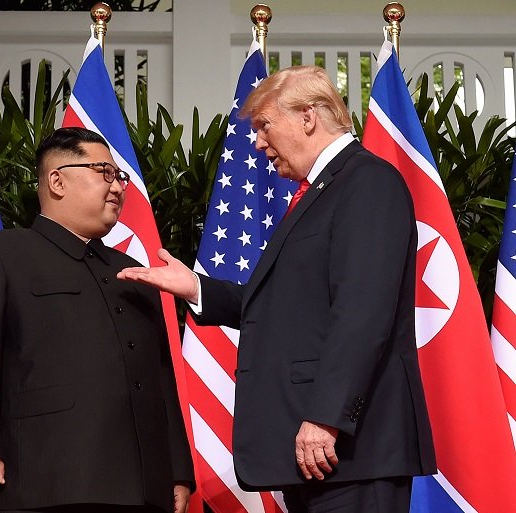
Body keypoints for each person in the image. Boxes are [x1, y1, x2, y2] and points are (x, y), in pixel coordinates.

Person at [117, 66, 436, 513]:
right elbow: (290, 308)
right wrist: (195, 288)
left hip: (350, 449)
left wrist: (325, 417)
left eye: (265, 126)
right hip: (318, 453)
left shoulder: (367, 182)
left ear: (308, 117)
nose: (259, 142)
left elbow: (363, 312)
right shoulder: (320, 191)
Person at [0, 127, 194, 513]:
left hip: (142, 485)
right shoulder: (1, 254)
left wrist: (178, 469)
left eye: (120, 177)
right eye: (103, 173)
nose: (117, 187)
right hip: (44, 479)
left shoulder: (133, 271)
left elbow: (161, 377)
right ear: (57, 181)